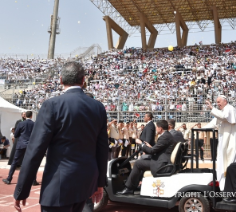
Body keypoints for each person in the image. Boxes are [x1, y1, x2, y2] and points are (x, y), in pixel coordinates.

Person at [12, 62, 108, 212]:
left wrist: (22, 190)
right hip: (86, 182)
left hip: (58, 185)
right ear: (83, 81)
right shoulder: (98, 107)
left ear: (61, 80)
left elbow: (35, 150)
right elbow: (102, 149)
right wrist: (100, 183)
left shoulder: (52, 105)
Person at [117, 120, 176, 195]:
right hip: (162, 160)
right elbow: (157, 149)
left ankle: (129, 188)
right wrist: (150, 147)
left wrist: (141, 144)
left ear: (160, 128)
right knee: (143, 159)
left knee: (138, 163)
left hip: (161, 164)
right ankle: (135, 184)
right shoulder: (167, 135)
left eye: (157, 127)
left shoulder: (164, 137)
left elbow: (152, 151)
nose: (156, 129)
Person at [205, 95, 236, 190]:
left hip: (232, 138)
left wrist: (212, 108)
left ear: (225, 101)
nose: (218, 104)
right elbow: (214, 123)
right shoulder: (221, 111)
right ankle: (224, 186)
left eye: (219, 102)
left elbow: (223, 117)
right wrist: (199, 129)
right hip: (224, 138)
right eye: (217, 102)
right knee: (222, 161)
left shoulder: (230, 109)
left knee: (230, 162)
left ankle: (231, 188)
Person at [2, 111, 38, 185]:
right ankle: (33, 180)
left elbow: (16, 135)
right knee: (32, 162)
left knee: (15, 162)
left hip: (21, 144)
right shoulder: (34, 124)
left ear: (25, 116)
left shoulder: (21, 123)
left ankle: (9, 179)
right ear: (31, 116)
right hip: (30, 145)